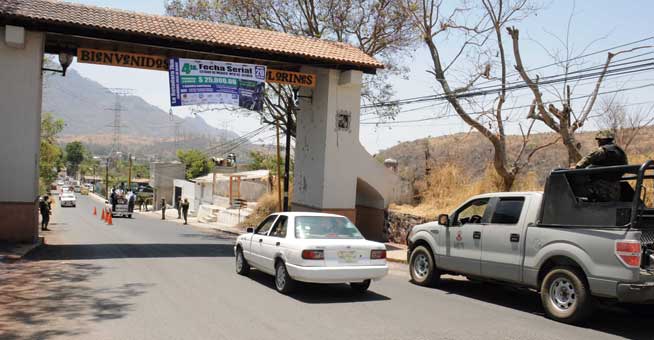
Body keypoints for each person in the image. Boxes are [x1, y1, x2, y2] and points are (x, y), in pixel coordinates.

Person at [574, 130, 628, 202]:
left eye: (599, 140)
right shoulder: (620, 151)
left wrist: (576, 168)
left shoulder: (602, 151)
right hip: (615, 188)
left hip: (600, 189)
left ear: (602, 140)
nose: (598, 142)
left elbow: (582, 163)